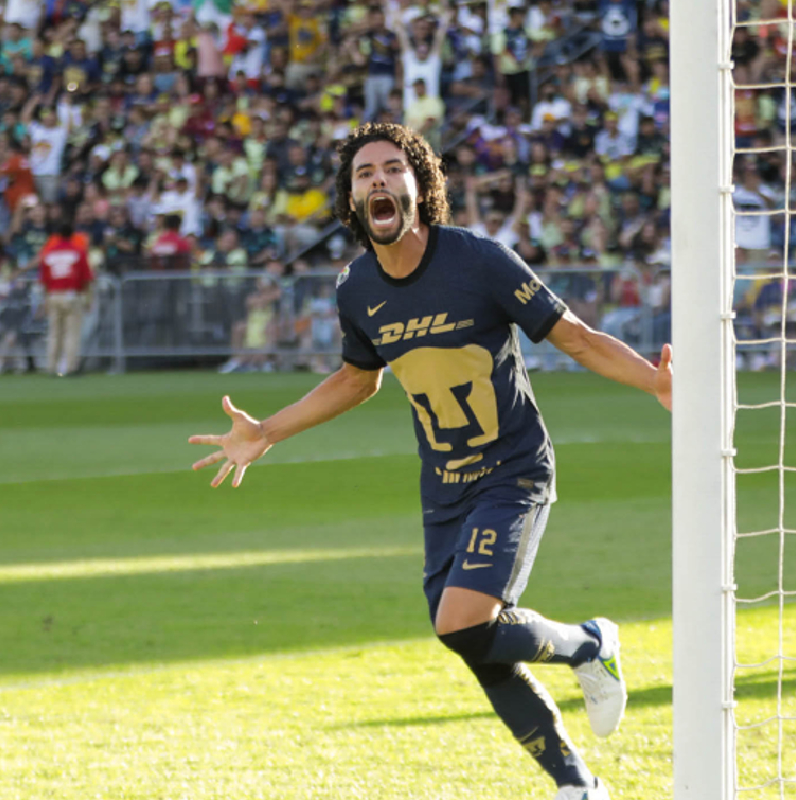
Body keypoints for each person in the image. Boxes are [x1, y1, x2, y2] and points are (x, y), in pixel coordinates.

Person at [188, 123, 672, 800]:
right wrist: (267, 431)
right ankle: (578, 785)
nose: (378, 181)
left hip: (513, 471)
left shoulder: (479, 260)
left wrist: (654, 379)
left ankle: (589, 645)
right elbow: (358, 379)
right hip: (444, 489)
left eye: (392, 168)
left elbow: (577, 339)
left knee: (461, 619)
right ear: (351, 199)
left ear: (421, 185)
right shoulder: (356, 287)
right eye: (364, 174)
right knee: (472, 639)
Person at [37, 218, 94, 376]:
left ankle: (51, 366)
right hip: (71, 294)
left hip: (53, 294)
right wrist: (88, 299)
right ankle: (70, 367)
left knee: (54, 333)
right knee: (72, 333)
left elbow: (44, 280)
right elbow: (86, 278)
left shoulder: (49, 252)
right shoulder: (78, 251)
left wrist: (45, 300)